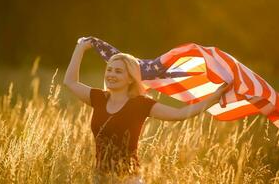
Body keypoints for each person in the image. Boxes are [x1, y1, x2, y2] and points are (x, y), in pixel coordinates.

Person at [63, 37, 230, 184]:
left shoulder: (140, 104)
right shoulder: (98, 98)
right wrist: (80, 48)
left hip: (128, 179)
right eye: (109, 70)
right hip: (100, 178)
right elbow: (70, 82)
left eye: (119, 71)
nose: (111, 74)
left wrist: (214, 98)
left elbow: (179, 114)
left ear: (130, 78)